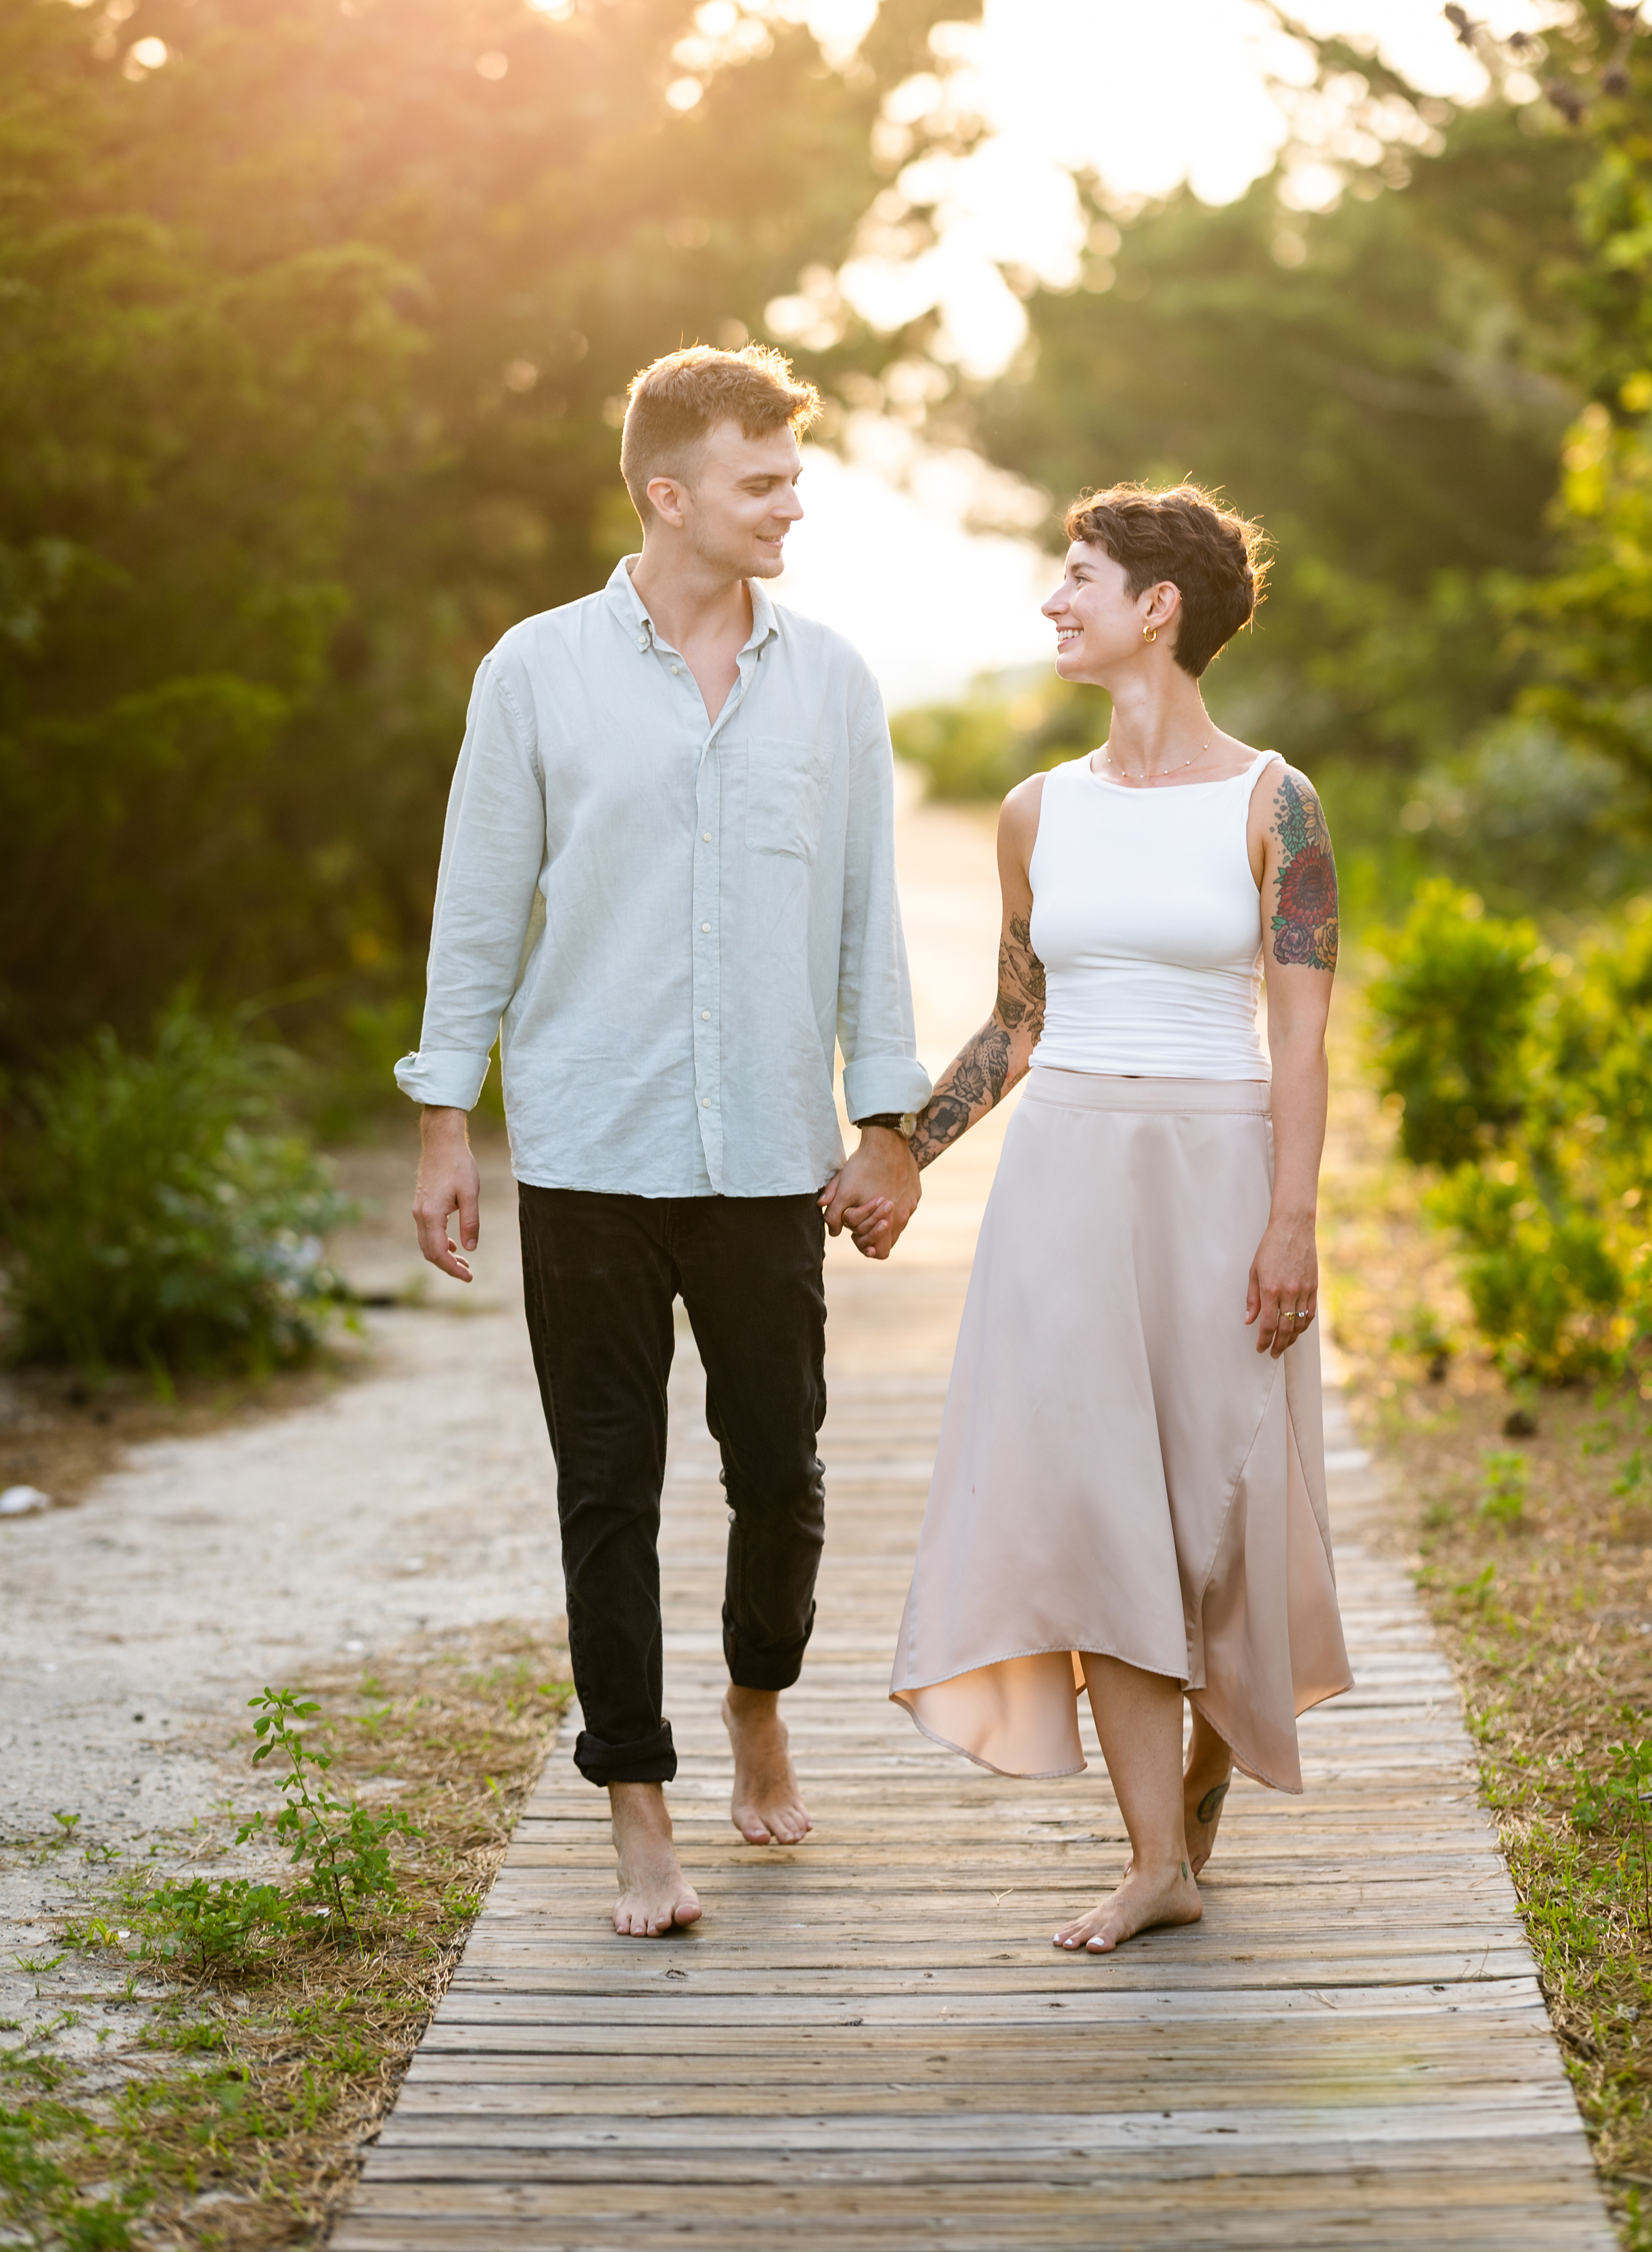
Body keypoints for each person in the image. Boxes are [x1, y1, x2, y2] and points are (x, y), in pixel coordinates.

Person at [398, 343, 928, 1939]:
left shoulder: (831, 680)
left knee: (783, 1472)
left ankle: (758, 1694)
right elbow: (479, 902)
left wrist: (886, 1123)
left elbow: (865, 918)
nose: (791, 504)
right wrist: (445, 1118)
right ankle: (639, 1803)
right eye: (762, 481)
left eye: (791, 475)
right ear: (668, 492)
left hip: (768, 1151)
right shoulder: (535, 672)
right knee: (606, 1488)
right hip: (588, 1147)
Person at [876, 480, 1352, 1954]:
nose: (1053, 601)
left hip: (1216, 1181)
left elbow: (1305, 1040)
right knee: (1094, 1512)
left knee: (1220, 1525)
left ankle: (1201, 1789)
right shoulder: (1039, 811)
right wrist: (902, 1151)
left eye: (1078, 576)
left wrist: (1292, 1222)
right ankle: (1157, 1859)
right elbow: (1018, 1024)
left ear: (1161, 608)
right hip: (1065, 1190)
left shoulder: (1278, 802)